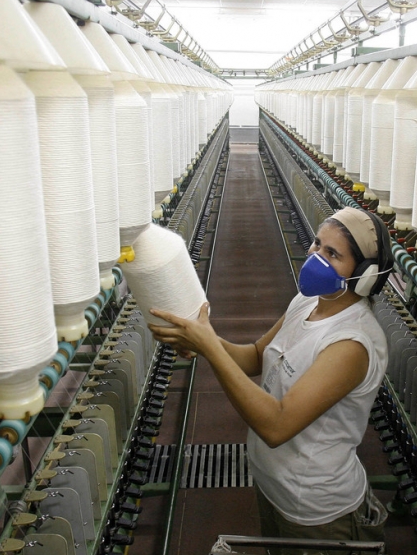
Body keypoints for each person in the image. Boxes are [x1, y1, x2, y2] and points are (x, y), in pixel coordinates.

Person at [149, 206, 394, 554]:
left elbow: (276, 426)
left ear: (365, 276)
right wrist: (200, 338)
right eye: (317, 244)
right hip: (274, 487)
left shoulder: (351, 344)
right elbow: (254, 356)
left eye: (332, 254)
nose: (315, 257)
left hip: (317, 511)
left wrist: (209, 348)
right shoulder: (306, 301)